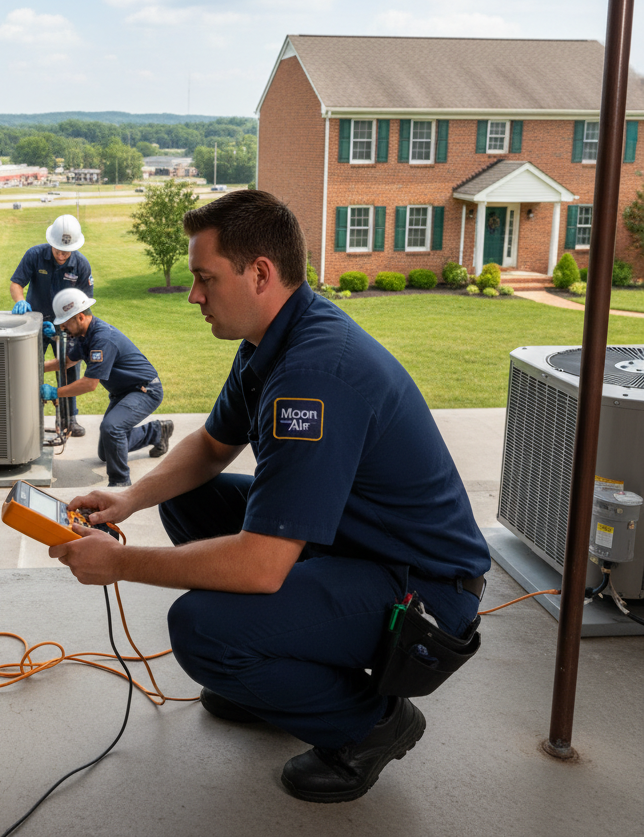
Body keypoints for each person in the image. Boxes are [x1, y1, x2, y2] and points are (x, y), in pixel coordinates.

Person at [50, 189, 490, 803]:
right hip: (355, 544)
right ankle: (276, 670)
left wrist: (120, 563)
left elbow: (260, 566)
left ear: (260, 273)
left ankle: (371, 725)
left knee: (201, 630)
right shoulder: (271, 340)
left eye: (205, 278)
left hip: (424, 592)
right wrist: (130, 498)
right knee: (185, 499)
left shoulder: (313, 378)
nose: (193, 294)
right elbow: (209, 445)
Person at [41, 288, 174, 488]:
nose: (63, 327)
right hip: (123, 392)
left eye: (65, 323)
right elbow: (67, 361)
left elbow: (89, 383)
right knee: (106, 452)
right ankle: (157, 432)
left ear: (80, 317)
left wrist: (55, 392)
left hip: (144, 390)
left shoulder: (102, 339)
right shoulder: (84, 335)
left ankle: (120, 483)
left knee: (112, 429)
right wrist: (34, 369)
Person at [10, 214, 93, 437]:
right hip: (35, 323)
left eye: (66, 251)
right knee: (29, 367)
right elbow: (17, 283)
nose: (61, 254)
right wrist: (20, 301)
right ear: (50, 242)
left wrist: (69, 329)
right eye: (57, 249)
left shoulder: (81, 265)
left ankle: (69, 418)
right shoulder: (35, 255)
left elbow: (85, 305)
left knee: (68, 369)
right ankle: (23, 416)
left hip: (66, 326)